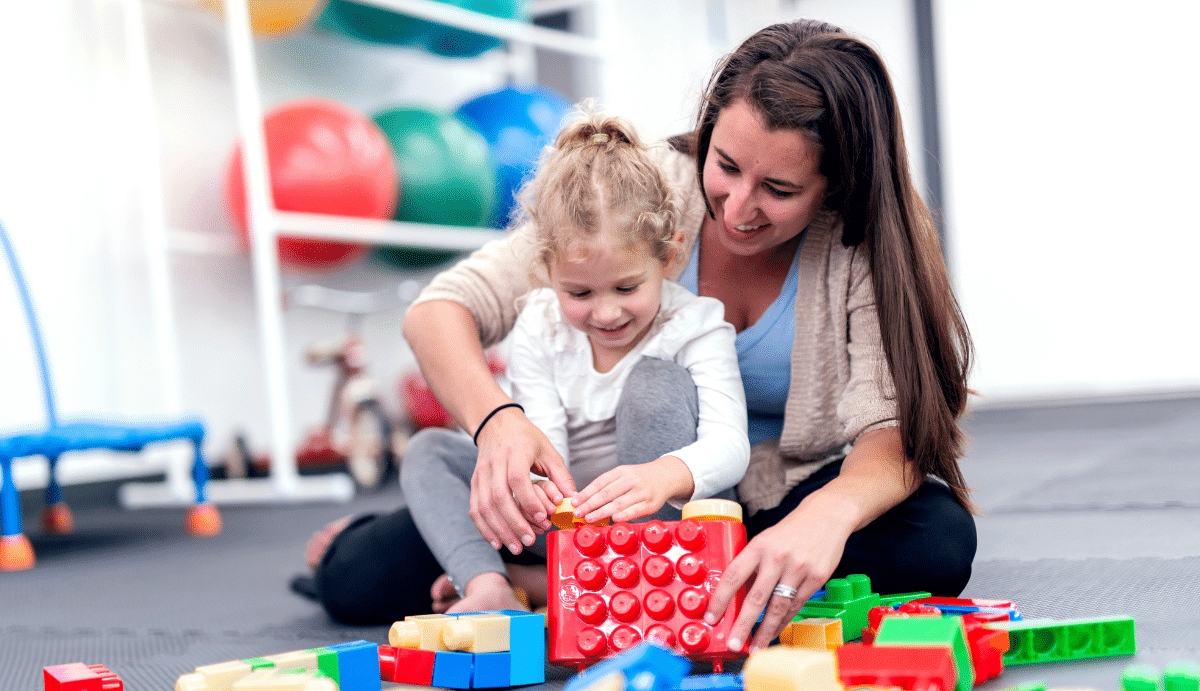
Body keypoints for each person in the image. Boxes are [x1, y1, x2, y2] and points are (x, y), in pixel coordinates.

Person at [308, 19, 976, 649]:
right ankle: (571, 580)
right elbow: (439, 312)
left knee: (936, 540)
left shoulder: (866, 245)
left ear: (837, 183)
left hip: (761, 499)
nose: (738, 209)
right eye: (727, 166)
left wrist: (823, 519)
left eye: (778, 188)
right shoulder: (643, 190)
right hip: (602, 492)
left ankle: (573, 589)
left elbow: (893, 431)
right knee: (355, 578)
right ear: (707, 134)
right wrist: (498, 424)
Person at [396, 110, 748, 614]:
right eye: (579, 291)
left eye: (628, 287)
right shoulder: (539, 321)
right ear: (544, 271)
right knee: (428, 451)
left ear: (669, 258)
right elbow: (543, 442)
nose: (606, 312)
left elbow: (730, 445)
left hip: (665, 520)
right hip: (567, 526)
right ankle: (489, 586)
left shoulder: (697, 324)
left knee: (655, 384)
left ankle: (620, 585)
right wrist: (538, 490)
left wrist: (661, 476)